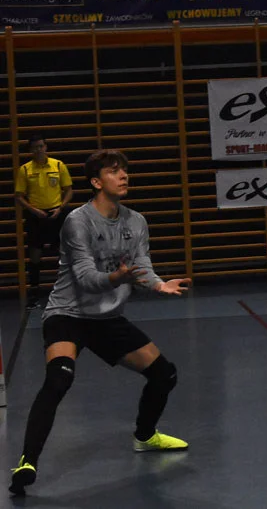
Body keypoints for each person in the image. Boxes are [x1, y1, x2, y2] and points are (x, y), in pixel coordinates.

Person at [10, 150, 192, 496]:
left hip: (107, 318)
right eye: (114, 171)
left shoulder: (136, 222)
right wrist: (117, 276)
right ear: (96, 182)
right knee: (58, 380)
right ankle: (27, 462)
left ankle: (145, 436)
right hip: (68, 314)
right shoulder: (78, 221)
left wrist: (158, 283)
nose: (123, 176)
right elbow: (86, 278)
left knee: (164, 374)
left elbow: (142, 267)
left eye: (125, 170)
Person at [14, 135, 74, 308]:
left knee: (63, 253)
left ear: (46, 147)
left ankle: (66, 291)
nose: (38, 150)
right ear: (30, 150)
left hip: (56, 213)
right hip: (35, 216)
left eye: (41, 146)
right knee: (34, 255)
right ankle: (34, 294)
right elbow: (18, 196)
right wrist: (33, 210)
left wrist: (61, 208)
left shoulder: (58, 165)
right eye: (34, 147)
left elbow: (69, 190)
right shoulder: (25, 170)